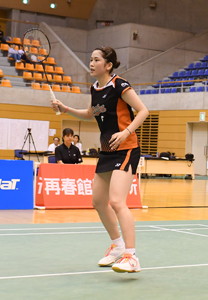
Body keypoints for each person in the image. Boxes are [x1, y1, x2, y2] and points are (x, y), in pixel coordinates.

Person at [51, 46, 149, 273]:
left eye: (96, 60)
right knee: (97, 201)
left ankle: (132, 256)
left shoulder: (119, 85)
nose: (91, 63)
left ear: (108, 65)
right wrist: (65, 109)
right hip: (107, 151)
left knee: (116, 201)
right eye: (91, 59)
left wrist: (126, 132)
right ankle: (117, 245)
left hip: (126, 148)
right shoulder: (95, 88)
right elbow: (90, 113)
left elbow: (143, 111)